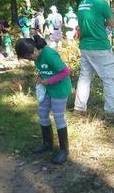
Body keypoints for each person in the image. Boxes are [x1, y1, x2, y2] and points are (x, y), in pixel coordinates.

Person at [15, 36, 72, 164]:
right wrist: (40, 76)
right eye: (27, 58)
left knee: (58, 117)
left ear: (35, 50)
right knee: (42, 113)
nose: (30, 60)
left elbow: (65, 72)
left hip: (60, 89)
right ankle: (47, 143)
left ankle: (64, 150)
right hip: (48, 88)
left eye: (30, 57)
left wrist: (48, 81)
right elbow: (43, 69)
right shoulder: (35, 56)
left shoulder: (49, 54)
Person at [74, 0, 114, 114]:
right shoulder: (102, 4)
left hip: (85, 46)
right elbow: (112, 24)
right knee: (109, 78)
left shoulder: (82, 4)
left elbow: (85, 23)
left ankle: (79, 107)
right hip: (100, 45)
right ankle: (111, 110)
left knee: (84, 77)